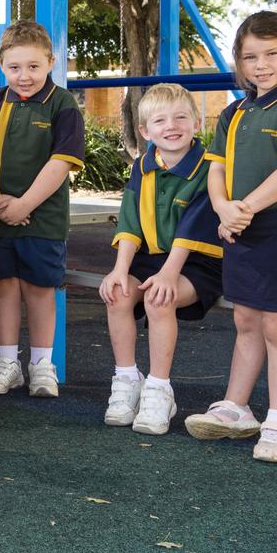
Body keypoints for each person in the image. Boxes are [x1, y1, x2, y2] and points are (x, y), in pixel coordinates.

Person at [183, 11, 277, 463]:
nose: (260, 64)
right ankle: (236, 407)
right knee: (245, 320)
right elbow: (217, 171)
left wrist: (244, 209)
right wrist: (225, 208)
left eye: (271, 54)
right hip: (239, 229)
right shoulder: (234, 111)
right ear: (240, 63)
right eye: (250, 57)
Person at [0, 20, 85, 397]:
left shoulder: (62, 104)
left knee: (39, 289)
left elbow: (61, 163)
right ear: (1, 64)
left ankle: (41, 363)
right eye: (15, 67)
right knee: (2, 287)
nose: (24, 75)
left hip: (42, 218)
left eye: (34, 66)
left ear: (51, 62)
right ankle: (6, 362)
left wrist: (24, 205)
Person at [99, 84, 223, 436]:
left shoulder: (208, 167)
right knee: (119, 293)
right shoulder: (143, 166)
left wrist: (169, 274)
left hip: (199, 259)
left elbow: (194, 226)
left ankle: (159, 389)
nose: (172, 126)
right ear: (144, 131)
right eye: (160, 120)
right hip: (152, 256)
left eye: (181, 117)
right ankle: (126, 379)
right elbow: (130, 220)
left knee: (158, 297)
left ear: (197, 122)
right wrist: (120, 269)